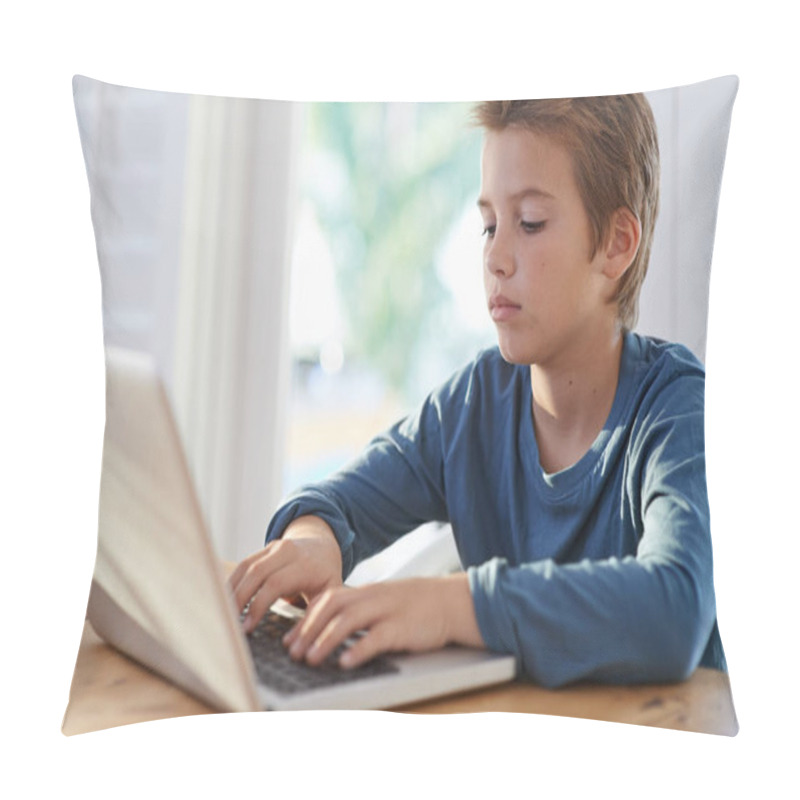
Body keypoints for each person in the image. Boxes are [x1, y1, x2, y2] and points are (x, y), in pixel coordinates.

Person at [229, 94, 726, 688]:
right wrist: (314, 540)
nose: (494, 256)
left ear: (618, 244)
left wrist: (447, 607)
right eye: (489, 224)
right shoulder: (472, 408)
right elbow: (339, 504)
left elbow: (674, 611)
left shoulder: (679, 411)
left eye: (531, 223)